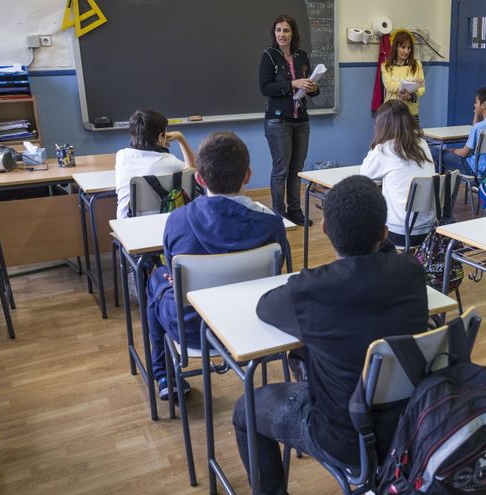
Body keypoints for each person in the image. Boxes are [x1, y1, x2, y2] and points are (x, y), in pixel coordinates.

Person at [233, 175, 428, 495]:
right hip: (408, 426)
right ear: (383, 232)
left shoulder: (312, 289)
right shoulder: (411, 272)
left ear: (323, 229)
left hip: (342, 438)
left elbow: (265, 308)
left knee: (246, 408)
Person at [145, 132, 288, 400]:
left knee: (156, 278)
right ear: (248, 175)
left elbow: (171, 265)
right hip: (254, 323)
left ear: (199, 178)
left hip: (192, 329)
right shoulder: (271, 223)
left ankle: (164, 375)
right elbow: (276, 274)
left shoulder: (178, 220)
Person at [260, 13, 320, 226]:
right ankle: (279, 214)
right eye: (278, 30)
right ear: (274, 33)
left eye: (286, 30)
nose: (281, 34)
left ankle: (295, 211)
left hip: (301, 120)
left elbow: (310, 88)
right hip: (278, 121)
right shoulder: (269, 56)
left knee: (297, 168)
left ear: (292, 33)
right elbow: (265, 87)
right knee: (281, 169)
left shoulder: (302, 56)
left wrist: (313, 87)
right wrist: (293, 84)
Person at [359, 99, 436, 248]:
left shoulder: (384, 149)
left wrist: (376, 144)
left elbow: (364, 177)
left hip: (400, 232)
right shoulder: (422, 144)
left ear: (382, 125)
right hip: (429, 228)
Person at [114, 108, 195, 219]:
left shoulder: (121, 156)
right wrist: (181, 138)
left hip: (126, 228)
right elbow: (193, 170)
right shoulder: (171, 162)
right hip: (161, 225)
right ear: (161, 137)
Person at [432, 86, 486, 178]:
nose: (475, 105)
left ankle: (439, 187)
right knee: (442, 156)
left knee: (435, 152)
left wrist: (452, 150)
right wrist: (476, 113)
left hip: (472, 169)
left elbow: (464, 153)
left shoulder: (479, 127)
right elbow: (476, 127)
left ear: (484, 105)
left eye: (476, 102)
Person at [382, 29, 425, 122]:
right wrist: (411, 85)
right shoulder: (386, 66)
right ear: (396, 47)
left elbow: (421, 89)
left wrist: (409, 96)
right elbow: (389, 85)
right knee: (392, 137)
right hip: (392, 112)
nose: (406, 51)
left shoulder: (417, 65)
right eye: (403, 47)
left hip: (411, 113)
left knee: (412, 136)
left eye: (409, 48)